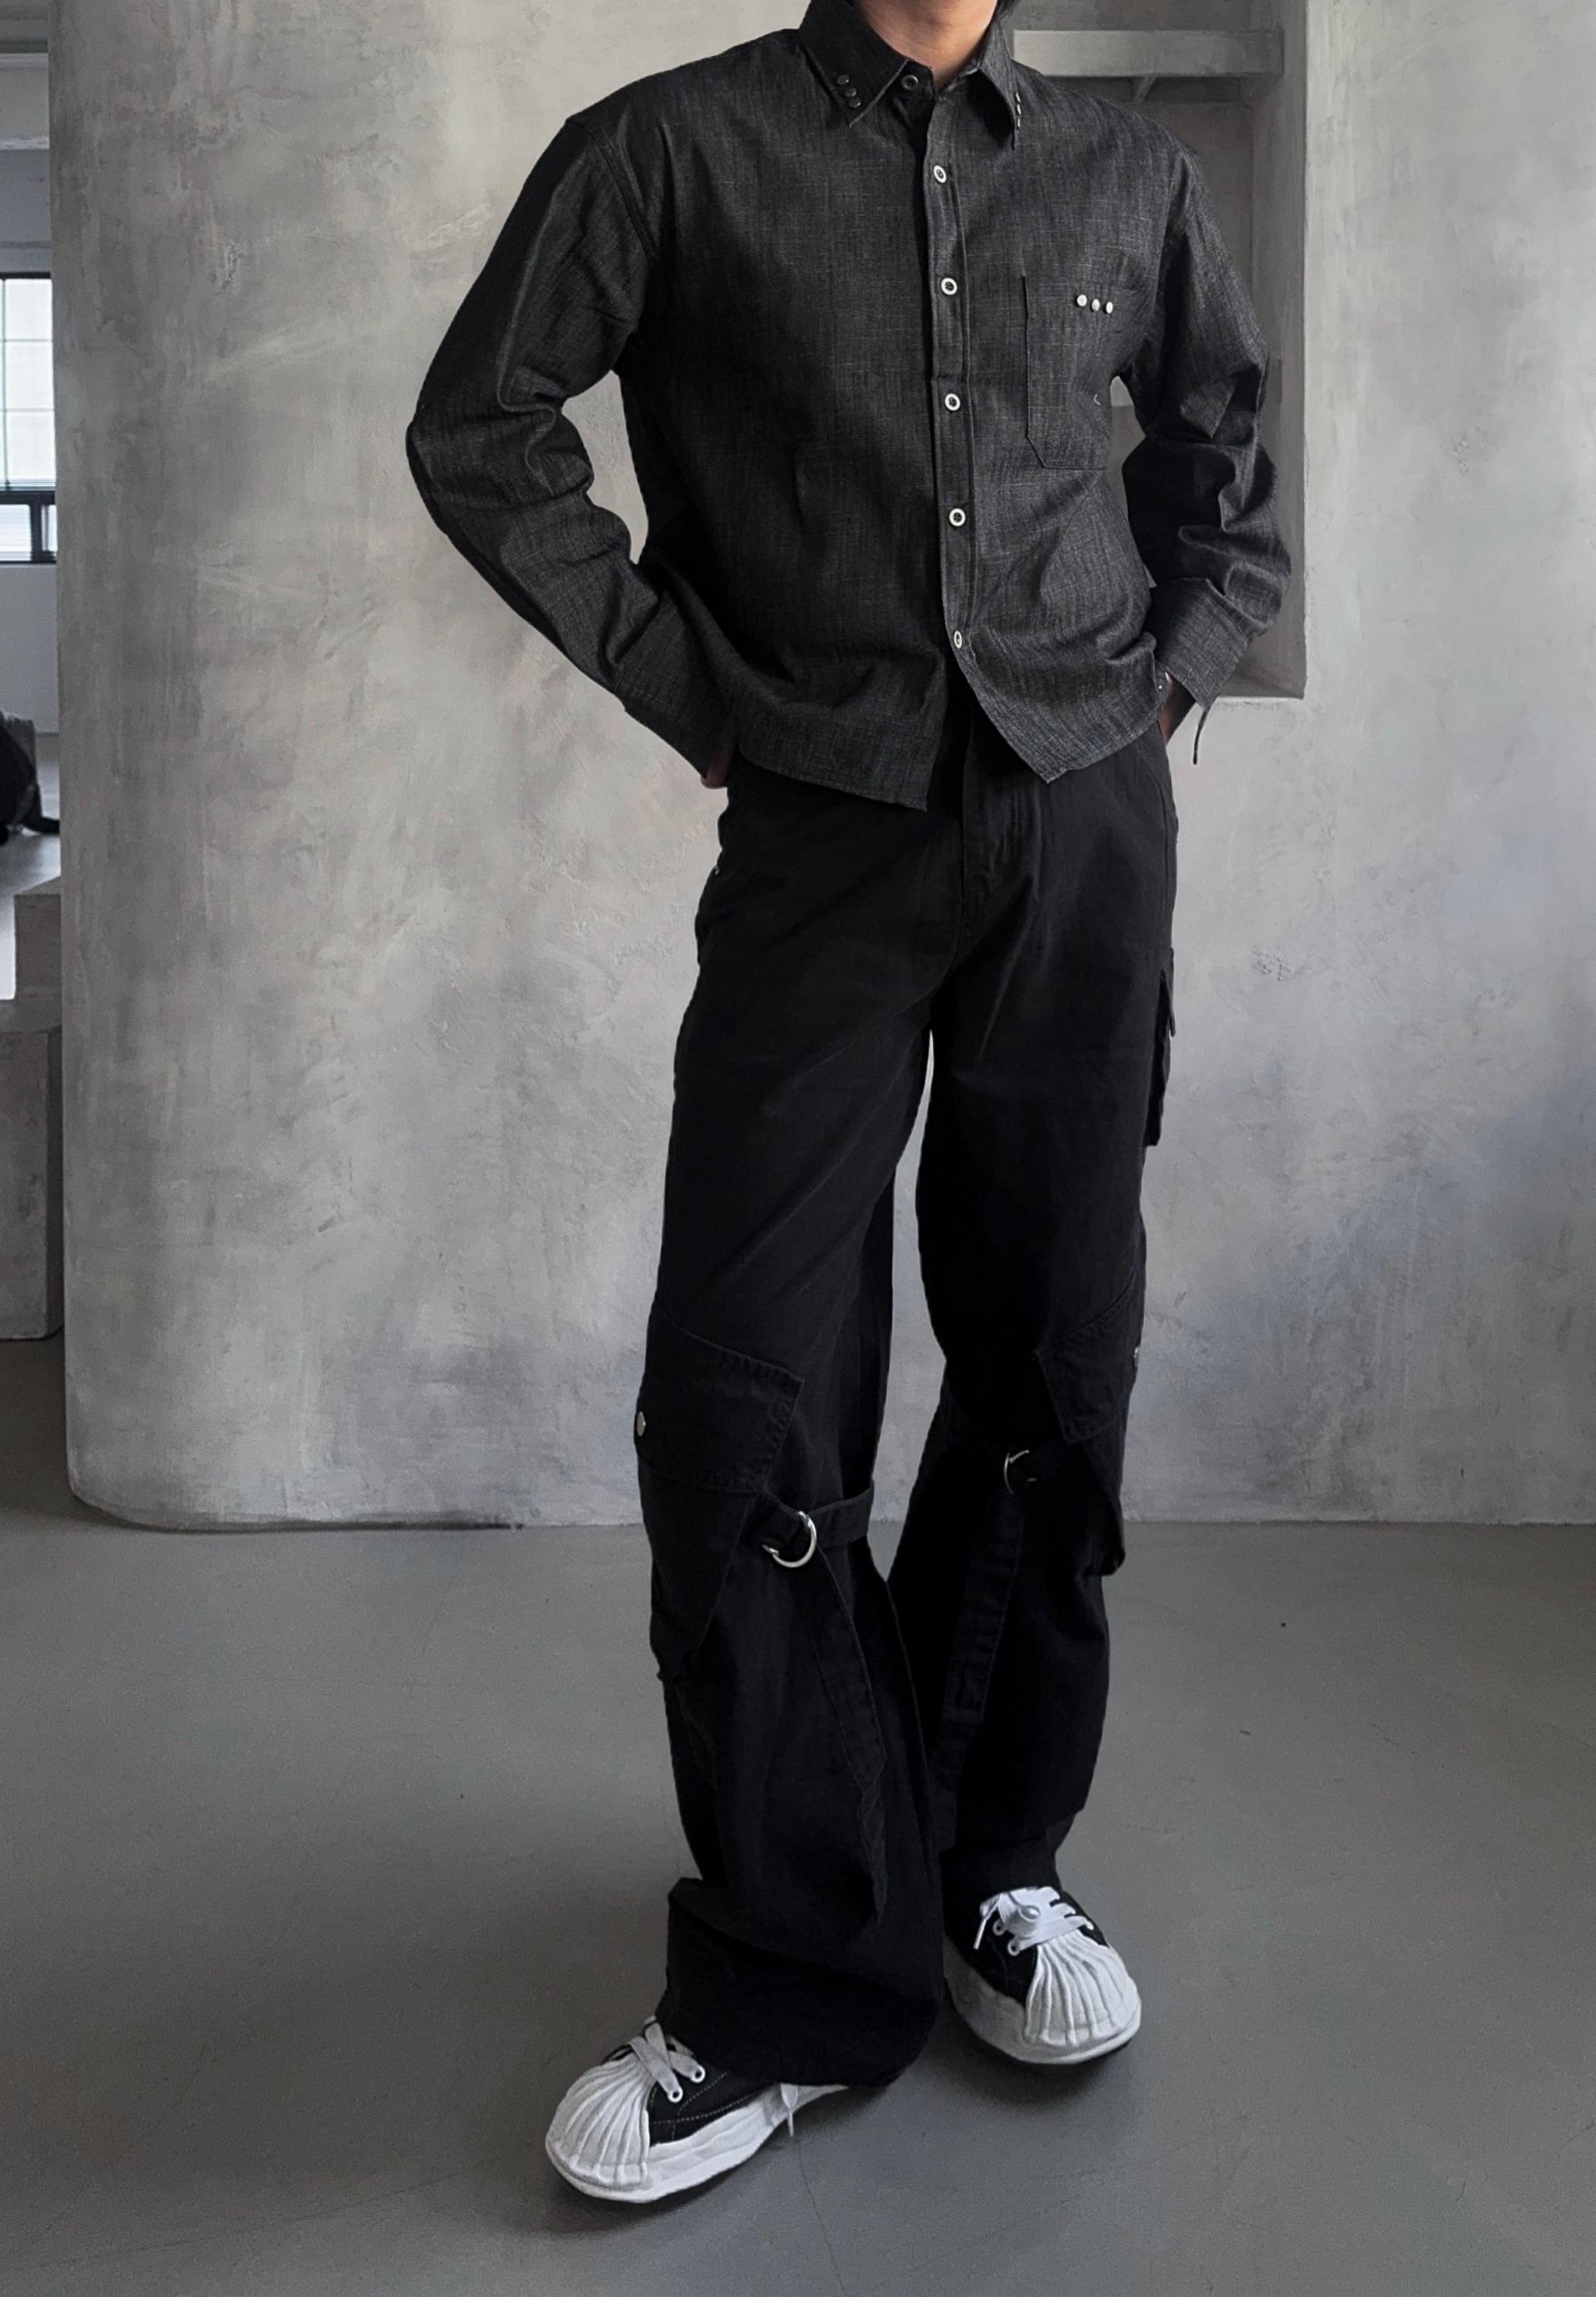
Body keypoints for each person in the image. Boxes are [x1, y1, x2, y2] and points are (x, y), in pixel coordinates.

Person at [406, 0, 1290, 2206]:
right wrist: (693, 686)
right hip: (823, 824)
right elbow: (481, 425)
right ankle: (793, 1973)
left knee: (1051, 1346)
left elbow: (1227, 452)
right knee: (751, 1375)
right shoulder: (668, 152)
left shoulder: (1128, 171)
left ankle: (992, 1860)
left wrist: (1168, 671)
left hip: (1082, 825)